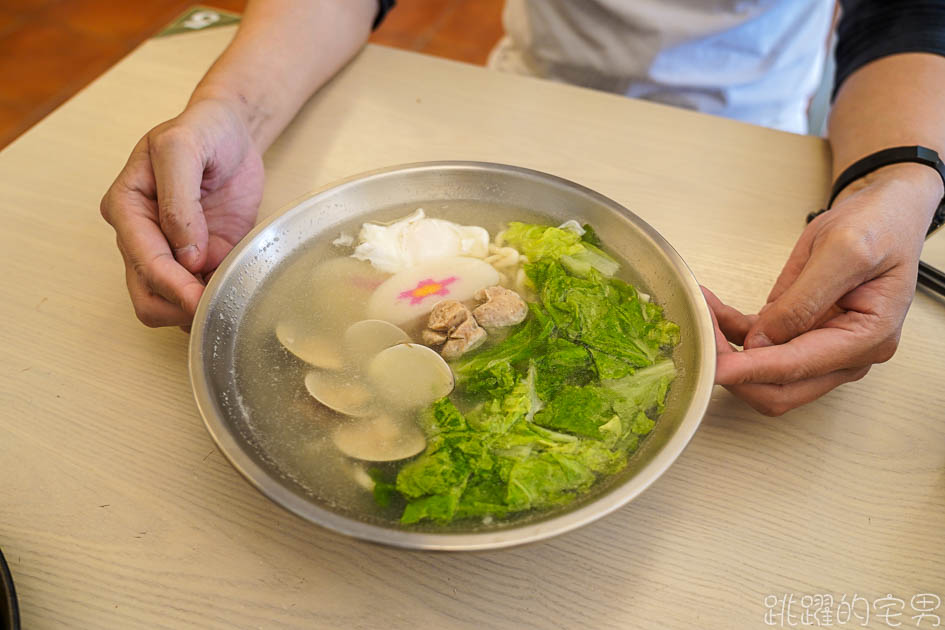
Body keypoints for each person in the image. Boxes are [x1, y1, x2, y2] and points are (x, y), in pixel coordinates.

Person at [100, 0, 945, 416]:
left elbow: (909, 12)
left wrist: (895, 180)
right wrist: (233, 111)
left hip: (742, 141)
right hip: (516, 106)